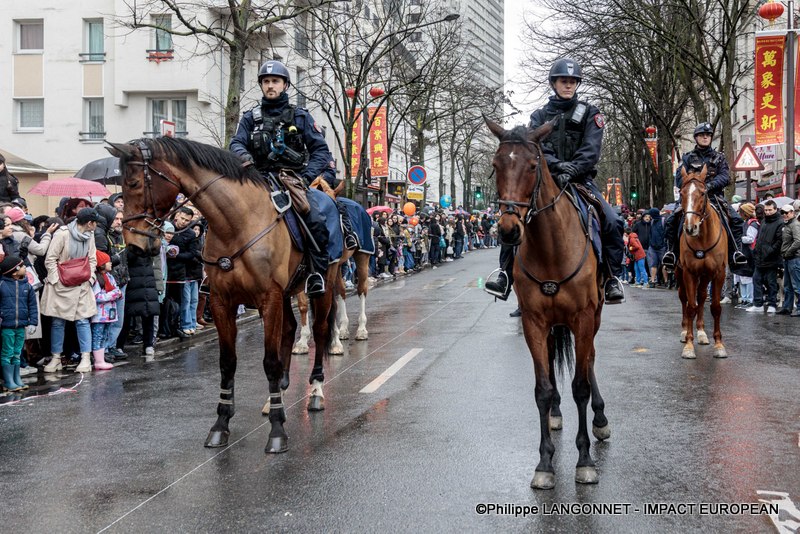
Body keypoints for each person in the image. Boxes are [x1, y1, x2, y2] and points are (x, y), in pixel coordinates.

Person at [485, 58, 626, 303]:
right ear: (554, 83)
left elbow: (592, 149)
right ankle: (505, 274)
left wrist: (572, 168)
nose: (568, 85)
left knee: (612, 220)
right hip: (547, 178)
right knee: (515, 216)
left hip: (581, 180)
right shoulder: (539, 116)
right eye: (564, 81)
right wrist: (557, 165)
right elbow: (534, 149)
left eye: (572, 81)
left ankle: (613, 277)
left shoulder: (591, 113)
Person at [229, 60, 355, 298]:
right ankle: (219, 270)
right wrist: (246, 157)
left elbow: (321, 152)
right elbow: (236, 142)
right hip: (257, 178)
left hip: (292, 179)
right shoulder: (249, 118)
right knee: (227, 211)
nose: (270, 86)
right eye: (266, 82)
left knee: (314, 217)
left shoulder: (301, 117)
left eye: (275, 81)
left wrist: (306, 177)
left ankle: (317, 273)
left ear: (285, 85)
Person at [662, 122, 747, 272]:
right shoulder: (688, 158)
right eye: (702, 135)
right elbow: (679, 179)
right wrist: (694, 186)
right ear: (696, 138)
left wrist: (708, 186)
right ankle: (671, 253)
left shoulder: (719, 157)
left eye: (708, 135)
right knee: (671, 220)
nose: (705, 137)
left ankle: (735, 253)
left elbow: (725, 177)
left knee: (736, 220)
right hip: (691, 198)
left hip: (714, 197)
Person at [41, 208, 100, 373]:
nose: (96, 225)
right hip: (62, 284)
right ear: (89, 223)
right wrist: (56, 280)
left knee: (82, 320)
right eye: (95, 222)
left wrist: (90, 278)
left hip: (81, 283)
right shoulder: (62, 234)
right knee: (58, 322)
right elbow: (50, 259)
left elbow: (92, 258)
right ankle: (56, 358)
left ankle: (86, 358)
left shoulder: (90, 236)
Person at [0, 256, 37, 392]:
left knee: (17, 352)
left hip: (20, 326)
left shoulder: (27, 286)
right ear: (14, 271)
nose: (24, 268)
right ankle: (8, 381)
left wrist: (33, 322)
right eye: (21, 266)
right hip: (7, 326)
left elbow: (32, 306)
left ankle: (16, 379)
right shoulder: (2, 285)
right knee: (7, 352)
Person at [747, 200, 783, 314]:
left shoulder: (780, 222)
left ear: (775, 209)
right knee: (756, 279)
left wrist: (770, 251)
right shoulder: (763, 221)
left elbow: (779, 241)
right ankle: (758, 304)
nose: (767, 212)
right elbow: (759, 238)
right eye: (766, 210)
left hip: (771, 258)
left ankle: (772, 304)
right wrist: (756, 250)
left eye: (770, 210)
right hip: (760, 256)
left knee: (771, 281)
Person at [90, 251, 121, 370]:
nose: (111, 263)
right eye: (108, 261)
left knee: (104, 336)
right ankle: (98, 360)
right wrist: (113, 294)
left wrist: (116, 293)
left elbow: (116, 289)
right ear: (102, 263)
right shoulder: (97, 279)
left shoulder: (110, 276)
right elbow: (97, 297)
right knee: (97, 336)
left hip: (109, 314)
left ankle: (101, 358)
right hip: (99, 315)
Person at [778, 204, 800, 316]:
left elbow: (798, 241)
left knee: (797, 285)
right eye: (782, 213)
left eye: (786, 213)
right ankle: (787, 307)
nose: (784, 215)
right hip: (788, 258)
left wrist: (787, 252)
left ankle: (799, 308)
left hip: (794, 258)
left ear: (792, 212)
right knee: (787, 285)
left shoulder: (795, 225)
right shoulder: (787, 225)